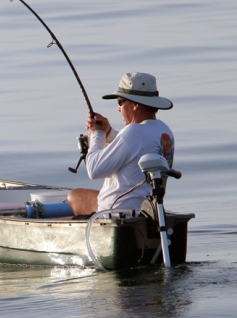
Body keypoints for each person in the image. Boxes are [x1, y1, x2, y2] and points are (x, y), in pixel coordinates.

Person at [67, 72, 174, 216]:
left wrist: (96, 134)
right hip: (149, 212)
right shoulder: (164, 132)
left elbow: (94, 169)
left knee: (74, 197)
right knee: (77, 195)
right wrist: (108, 132)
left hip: (117, 214)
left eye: (120, 102)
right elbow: (134, 149)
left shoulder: (133, 131)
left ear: (135, 104)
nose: (119, 108)